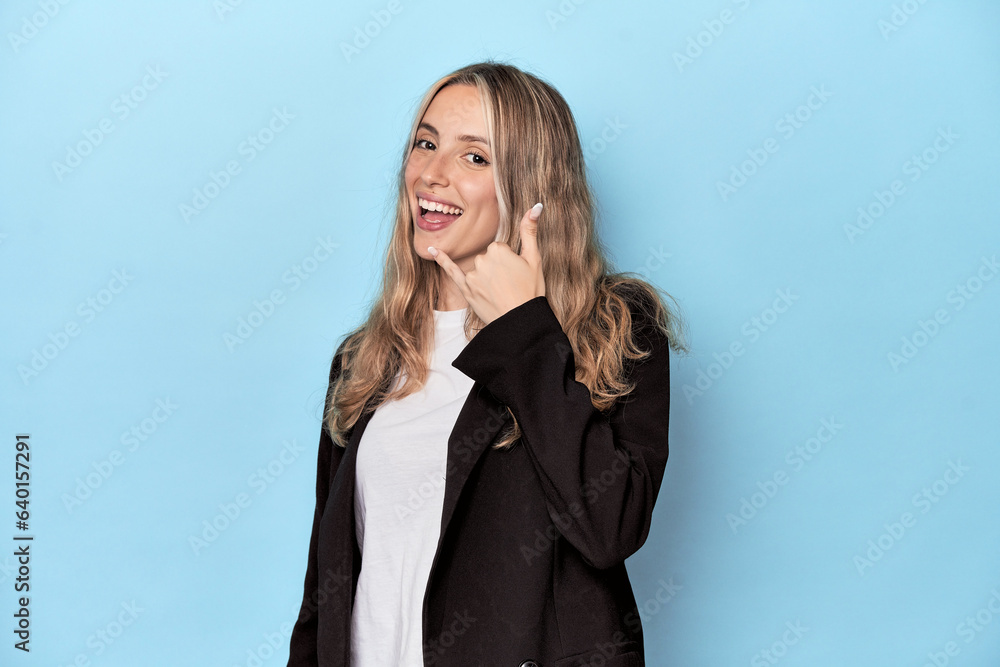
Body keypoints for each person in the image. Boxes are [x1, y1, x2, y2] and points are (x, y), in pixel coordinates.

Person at [286, 60, 687, 667]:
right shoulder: (365, 358)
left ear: (530, 187)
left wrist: (524, 331)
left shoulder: (612, 330)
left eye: (474, 156)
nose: (432, 174)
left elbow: (610, 530)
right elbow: (323, 592)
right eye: (426, 144)